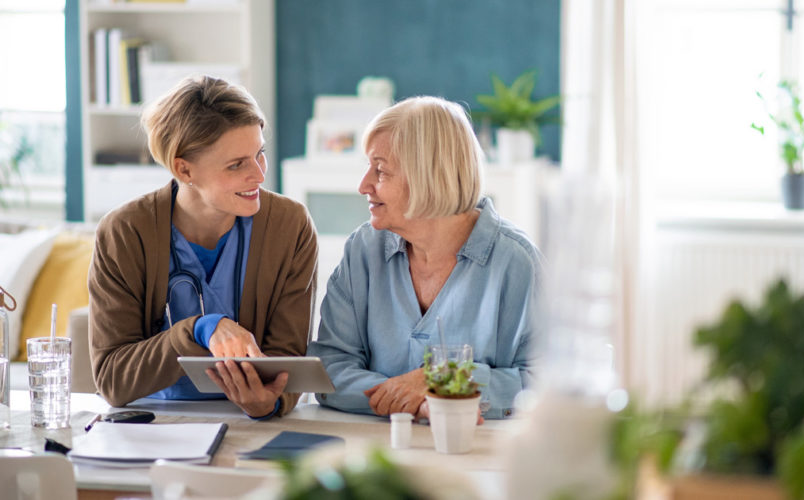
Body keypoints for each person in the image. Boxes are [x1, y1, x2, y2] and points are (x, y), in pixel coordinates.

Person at [88, 75, 318, 419]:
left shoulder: (290, 226)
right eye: (237, 164)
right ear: (184, 168)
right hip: (152, 424)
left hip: (250, 424)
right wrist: (199, 329)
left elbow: (287, 361)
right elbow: (112, 378)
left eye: (260, 155)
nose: (258, 175)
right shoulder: (124, 233)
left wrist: (269, 402)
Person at [306, 96, 542, 420]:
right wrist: (418, 401)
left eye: (381, 170)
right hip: (376, 447)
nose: (364, 185)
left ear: (428, 176)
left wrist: (441, 379)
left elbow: (545, 384)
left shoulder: (518, 264)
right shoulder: (363, 250)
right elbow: (330, 367)